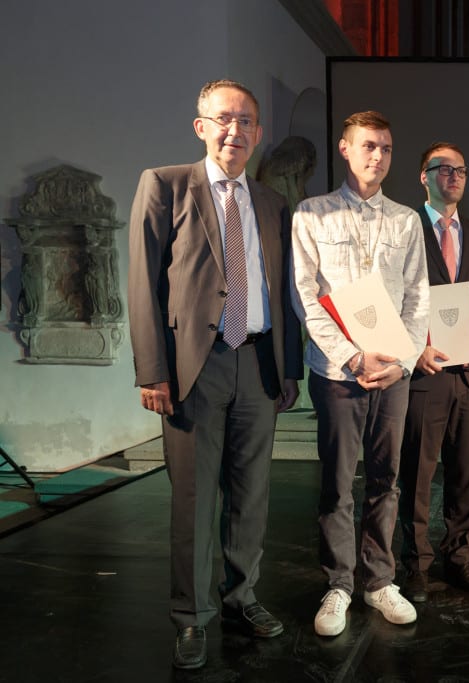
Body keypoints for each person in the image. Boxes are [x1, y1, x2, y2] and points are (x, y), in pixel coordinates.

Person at [127, 79, 302, 670]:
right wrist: (152, 370)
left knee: (251, 496)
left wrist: (289, 369)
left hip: (257, 362)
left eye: (247, 120)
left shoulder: (274, 202)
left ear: (258, 131)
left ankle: (240, 596)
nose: (236, 130)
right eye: (224, 119)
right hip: (192, 369)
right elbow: (144, 285)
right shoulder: (165, 185)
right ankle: (191, 616)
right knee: (196, 501)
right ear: (200, 125)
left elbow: (285, 292)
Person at [290, 110, 429, 637]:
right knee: (336, 481)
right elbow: (306, 296)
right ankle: (339, 584)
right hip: (337, 372)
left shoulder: (405, 219)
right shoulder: (313, 213)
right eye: (368, 146)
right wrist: (352, 356)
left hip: (393, 373)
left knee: (385, 479)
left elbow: (418, 297)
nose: (377, 156)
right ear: (345, 149)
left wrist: (403, 361)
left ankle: (378, 581)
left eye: (386, 148)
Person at [398, 142, 469, 602]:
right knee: (417, 471)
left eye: (460, 169)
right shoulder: (405, 229)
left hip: (468, 375)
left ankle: (459, 558)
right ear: (424, 176)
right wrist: (413, 348)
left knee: (466, 473)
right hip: (425, 371)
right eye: (443, 169)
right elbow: (391, 298)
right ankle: (414, 563)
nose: (453, 176)